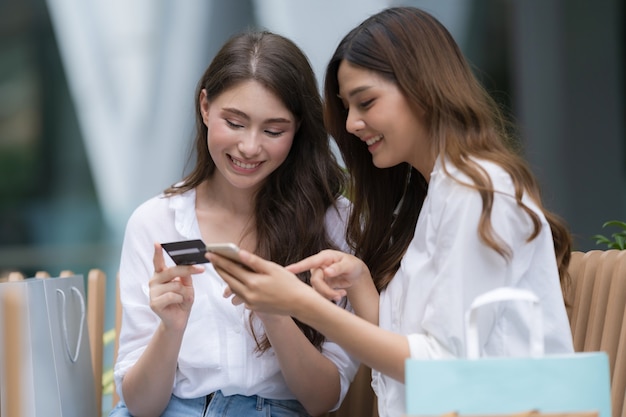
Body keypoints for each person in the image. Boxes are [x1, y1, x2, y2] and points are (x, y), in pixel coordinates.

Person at [208, 7, 575, 417]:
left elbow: (442, 367)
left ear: (423, 87)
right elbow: (411, 349)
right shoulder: (437, 193)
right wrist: (361, 284)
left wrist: (302, 305)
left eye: (365, 102)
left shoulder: (478, 190)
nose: (350, 124)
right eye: (347, 108)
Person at [110, 30, 359, 417]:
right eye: (235, 122)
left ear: (298, 130)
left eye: (274, 130)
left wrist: (276, 310)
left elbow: (322, 399)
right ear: (205, 107)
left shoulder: (334, 224)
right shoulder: (155, 222)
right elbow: (140, 406)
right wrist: (170, 329)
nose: (249, 147)